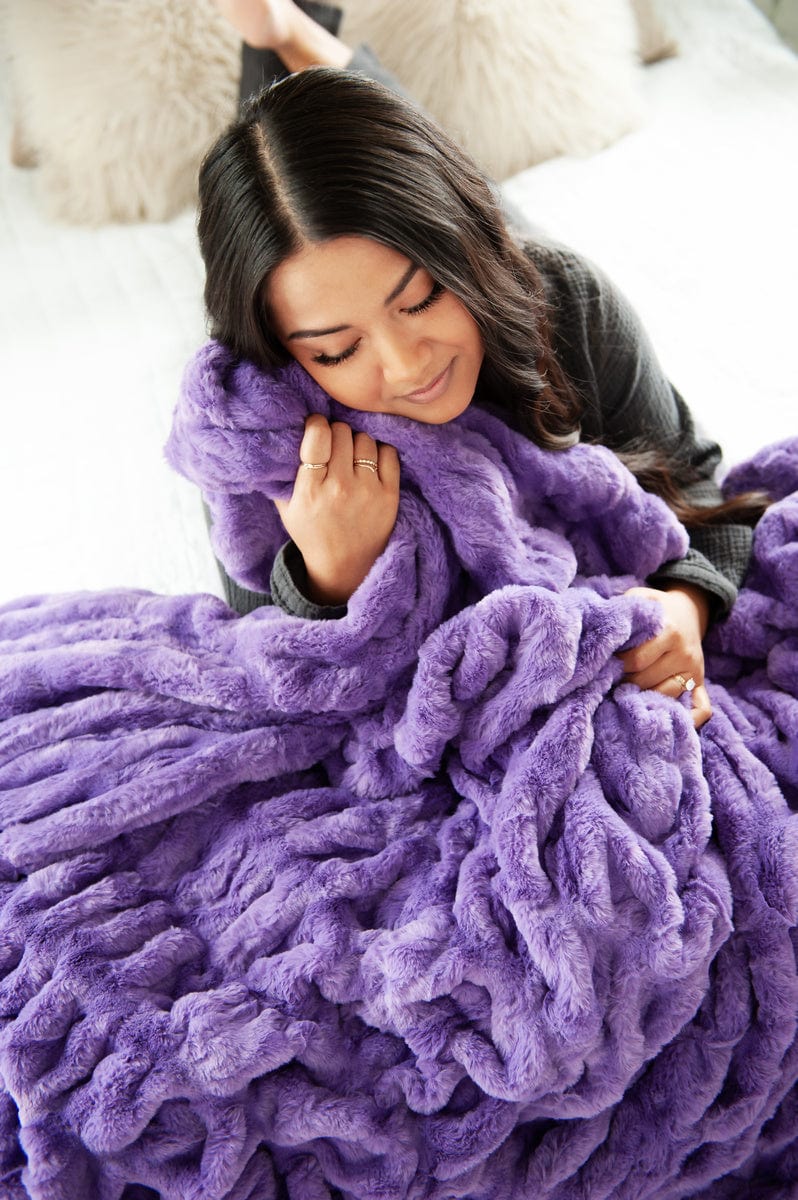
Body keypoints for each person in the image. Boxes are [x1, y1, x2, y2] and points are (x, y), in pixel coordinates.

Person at [197, 2, 768, 731]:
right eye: (337, 349)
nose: (406, 367)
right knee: (286, 189)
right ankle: (275, 35)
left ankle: (291, 32)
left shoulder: (570, 301)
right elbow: (252, 644)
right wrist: (327, 576)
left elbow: (696, 481)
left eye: (422, 298)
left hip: (504, 277)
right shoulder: (248, 416)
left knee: (429, 185)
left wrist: (687, 603)